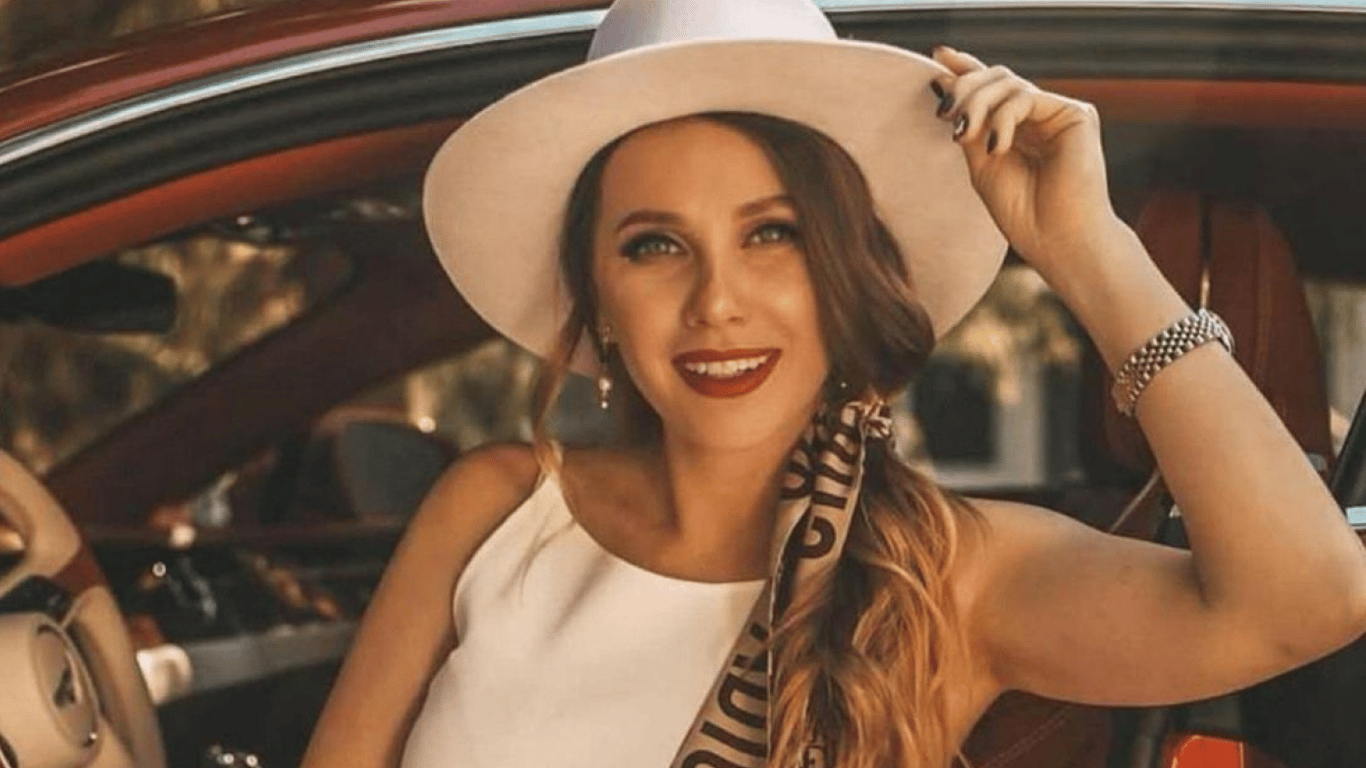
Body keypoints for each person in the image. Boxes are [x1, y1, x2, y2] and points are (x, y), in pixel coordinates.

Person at [301, 0, 1366, 766]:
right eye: (654, 247)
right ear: (600, 302)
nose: (717, 301)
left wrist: (1088, 249)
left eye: (773, 234)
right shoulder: (496, 507)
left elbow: (1310, 601)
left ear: (847, 275)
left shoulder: (946, 574)